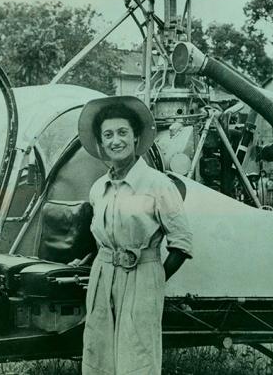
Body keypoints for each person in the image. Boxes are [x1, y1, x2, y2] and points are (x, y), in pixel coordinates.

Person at [75, 96, 193, 375]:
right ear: (101, 143)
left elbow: (182, 243)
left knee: (137, 358)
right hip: (102, 277)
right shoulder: (98, 188)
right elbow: (104, 235)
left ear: (136, 137)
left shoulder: (159, 185)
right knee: (98, 354)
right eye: (108, 135)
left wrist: (154, 280)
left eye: (122, 132)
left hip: (142, 276)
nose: (116, 140)